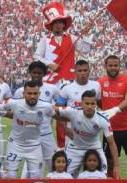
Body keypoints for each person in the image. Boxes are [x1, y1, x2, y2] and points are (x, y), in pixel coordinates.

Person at [34, 2, 90, 151]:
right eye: (55, 23)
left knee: (65, 114)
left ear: (64, 24)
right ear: (51, 25)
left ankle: (64, 145)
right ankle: (42, 142)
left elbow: (85, 49)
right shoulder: (45, 39)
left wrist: (87, 35)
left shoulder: (71, 38)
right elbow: (37, 56)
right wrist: (49, 64)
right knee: (47, 113)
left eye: (60, 22)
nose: (58, 25)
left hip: (67, 81)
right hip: (50, 81)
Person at [53, 90, 121, 178]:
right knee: (65, 176)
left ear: (96, 104)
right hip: (74, 148)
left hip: (94, 148)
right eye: (87, 103)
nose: (90, 106)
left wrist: (117, 165)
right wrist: (64, 125)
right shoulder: (73, 112)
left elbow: (111, 143)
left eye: (92, 104)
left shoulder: (103, 119)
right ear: (81, 104)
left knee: (102, 176)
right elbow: (52, 109)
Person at [98, 55, 127, 179]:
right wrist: (105, 111)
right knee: (110, 166)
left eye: (115, 65)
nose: (113, 68)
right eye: (110, 65)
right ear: (105, 66)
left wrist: (114, 110)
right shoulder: (100, 83)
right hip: (110, 131)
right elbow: (97, 101)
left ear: (119, 66)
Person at [4, 81, 59, 179]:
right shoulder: (14, 103)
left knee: (35, 177)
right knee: (10, 176)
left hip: (34, 146)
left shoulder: (46, 107)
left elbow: (58, 116)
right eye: (29, 93)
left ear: (39, 94)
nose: (32, 96)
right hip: (15, 145)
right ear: (23, 94)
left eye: (35, 93)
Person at [13, 61, 59, 177]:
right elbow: (14, 112)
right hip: (29, 135)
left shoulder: (52, 89)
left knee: (54, 162)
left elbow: (58, 109)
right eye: (34, 73)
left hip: (46, 133)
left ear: (44, 74)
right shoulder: (20, 92)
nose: (37, 75)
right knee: (31, 165)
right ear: (30, 73)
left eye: (40, 73)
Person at [56, 60, 101, 147]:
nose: (83, 73)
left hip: (91, 130)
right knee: (72, 158)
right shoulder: (66, 89)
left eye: (85, 70)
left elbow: (100, 104)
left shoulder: (96, 85)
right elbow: (57, 111)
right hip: (73, 131)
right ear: (75, 72)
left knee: (92, 159)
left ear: (89, 71)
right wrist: (65, 129)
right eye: (80, 71)